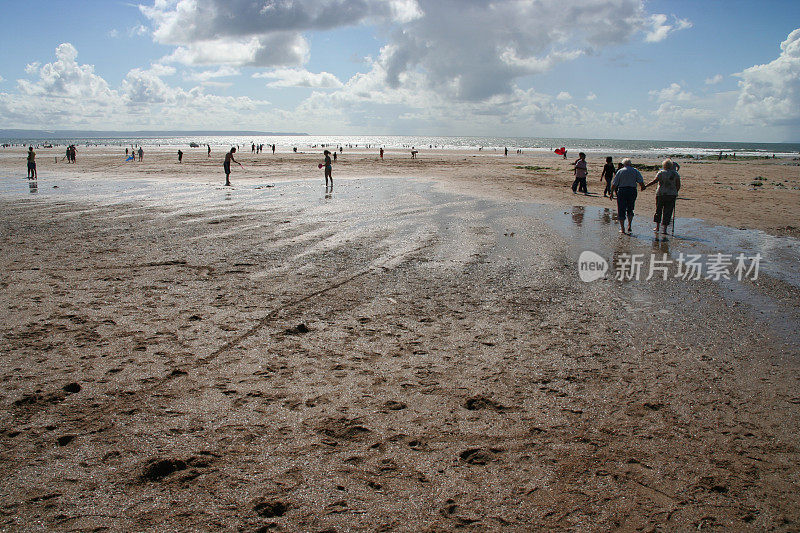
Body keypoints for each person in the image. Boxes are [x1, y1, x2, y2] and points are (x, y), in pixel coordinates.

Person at [644, 159, 681, 234]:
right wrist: (676, 192)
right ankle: (665, 229)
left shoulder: (661, 172)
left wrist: (646, 186)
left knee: (658, 210)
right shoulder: (675, 173)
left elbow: (655, 181)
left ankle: (657, 227)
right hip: (671, 194)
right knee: (668, 211)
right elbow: (678, 185)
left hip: (661, 193)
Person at [611, 158, 645, 234]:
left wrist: (611, 192)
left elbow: (614, 183)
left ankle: (622, 228)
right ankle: (629, 225)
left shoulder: (620, 171)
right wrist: (642, 187)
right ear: (630, 164)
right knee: (630, 208)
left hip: (622, 190)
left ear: (623, 164)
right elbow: (640, 181)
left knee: (621, 208)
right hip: (632, 190)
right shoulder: (635, 171)